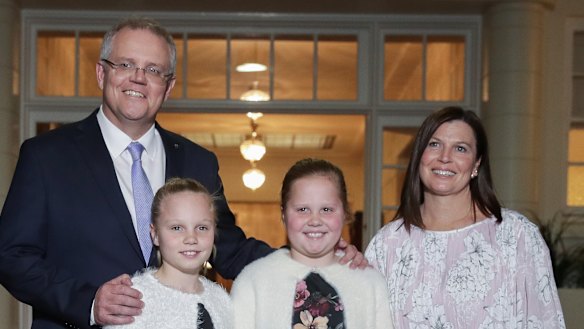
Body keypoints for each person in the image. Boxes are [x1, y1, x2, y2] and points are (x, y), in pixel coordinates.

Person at [0, 16, 364, 329]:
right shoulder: (47, 156)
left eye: (154, 70)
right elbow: (12, 257)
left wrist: (314, 258)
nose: (139, 79)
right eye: (126, 64)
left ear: (168, 86)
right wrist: (88, 303)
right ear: (101, 72)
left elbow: (229, 247)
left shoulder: (197, 161)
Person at [365, 106, 565, 328]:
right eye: (434, 144)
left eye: (460, 148)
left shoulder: (516, 237)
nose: (444, 157)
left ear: (476, 164)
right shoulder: (387, 244)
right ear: (419, 155)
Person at [231, 158, 393, 329]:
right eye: (302, 209)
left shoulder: (371, 283)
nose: (315, 220)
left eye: (326, 209)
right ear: (284, 214)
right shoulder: (252, 281)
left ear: (344, 213)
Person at [105, 177, 233, 329]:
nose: (191, 238)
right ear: (155, 235)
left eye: (202, 227)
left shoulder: (221, 300)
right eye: (177, 228)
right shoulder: (133, 301)